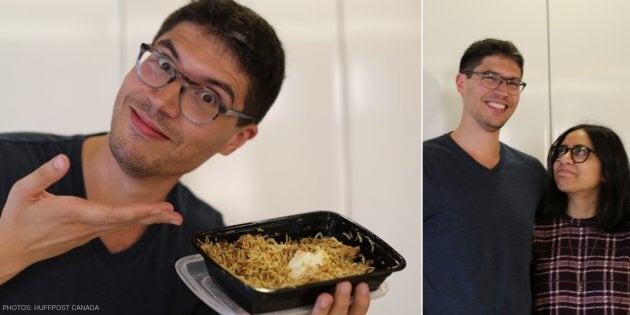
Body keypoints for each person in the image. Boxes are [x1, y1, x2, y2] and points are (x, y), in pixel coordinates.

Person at [0, 1, 371, 314]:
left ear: (237, 139)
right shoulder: (7, 165)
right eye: (163, 64)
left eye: (207, 97)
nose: (160, 101)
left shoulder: (207, 250)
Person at [423, 38, 546, 314]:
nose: (503, 91)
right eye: (490, 78)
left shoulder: (533, 174)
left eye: (513, 83)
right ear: (460, 83)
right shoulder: (421, 164)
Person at [532, 124, 630, 312]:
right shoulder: (537, 231)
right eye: (560, 151)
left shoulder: (625, 232)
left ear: (607, 170)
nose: (563, 159)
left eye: (580, 151)